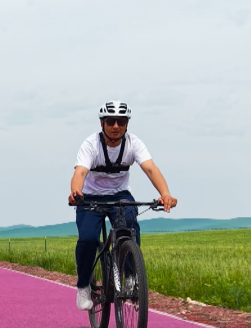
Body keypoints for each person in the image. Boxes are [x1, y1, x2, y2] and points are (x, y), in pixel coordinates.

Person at [67, 101, 177, 311]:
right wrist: (75, 192)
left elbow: (150, 169)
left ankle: (131, 277)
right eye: (111, 121)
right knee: (88, 239)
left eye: (121, 121)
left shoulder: (133, 143)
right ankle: (83, 286)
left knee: (129, 227)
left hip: (119, 195)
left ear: (127, 124)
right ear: (102, 123)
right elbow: (80, 172)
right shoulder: (91, 144)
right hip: (90, 197)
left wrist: (165, 194)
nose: (116, 126)